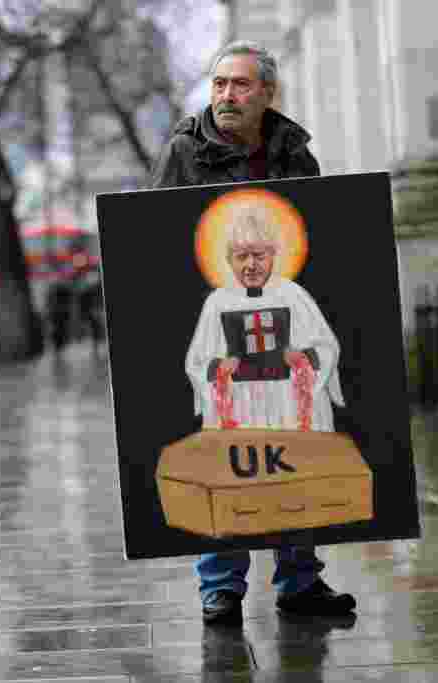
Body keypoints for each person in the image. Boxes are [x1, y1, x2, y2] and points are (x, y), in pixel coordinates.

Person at [150, 40, 356, 624]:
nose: (226, 96)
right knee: (226, 467)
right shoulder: (184, 155)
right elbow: (159, 247)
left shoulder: (293, 152)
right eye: (218, 85)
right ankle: (220, 586)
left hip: (284, 386)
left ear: (267, 94)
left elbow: (322, 269)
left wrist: (304, 361)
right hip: (233, 388)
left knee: (295, 464)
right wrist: (217, 368)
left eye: (240, 85)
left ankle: (299, 581)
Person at [186, 210, 345, 433]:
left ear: (273, 255)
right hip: (241, 407)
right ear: (229, 260)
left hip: (287, 404)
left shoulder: (293, 296)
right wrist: (219, 368)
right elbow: (196, 362)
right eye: (242, 256)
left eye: (259, 255)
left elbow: (328, 348)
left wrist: (303, 359)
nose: (251, 264)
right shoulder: (217, 303)